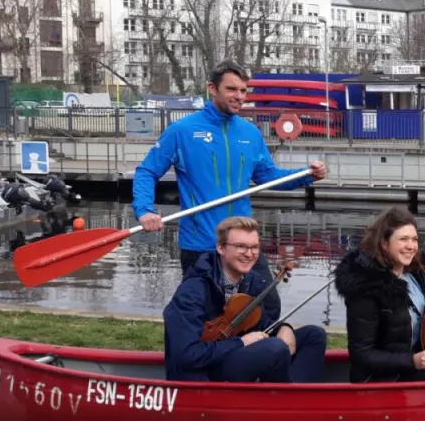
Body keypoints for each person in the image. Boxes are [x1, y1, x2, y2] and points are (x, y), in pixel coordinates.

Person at [132, 60, 328, 276]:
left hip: (244, 245)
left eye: (243, 90)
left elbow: (268, 176)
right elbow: (147, 172)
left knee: (265, 298)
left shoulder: (250, 133)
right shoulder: (181, 131)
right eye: (231, 89)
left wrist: (306, 175)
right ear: (212, 88)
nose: (239, 96)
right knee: (203, 300)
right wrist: (145, 210)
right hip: (201, 246)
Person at [162, 216, 328, 383]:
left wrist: (282, 328)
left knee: (314, 335)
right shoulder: (193, 290)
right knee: (275, 348)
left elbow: (258, 323)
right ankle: (281, 396)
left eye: (254, 247)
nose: (249, 254)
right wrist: (241, 342)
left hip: (231, 357)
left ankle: (293, 395)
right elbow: (187, 355)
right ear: (221, 248)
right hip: (203, 372)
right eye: (241, 246)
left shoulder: (251, 280)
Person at [334, 204, 425, 383]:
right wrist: (412, 361)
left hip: (413, 364)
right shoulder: (366, 287)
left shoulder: (413, 270)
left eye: (414, 239)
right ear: (384, 243)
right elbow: (362, 354)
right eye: (403, 239)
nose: (411, 246)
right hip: (382, 377)